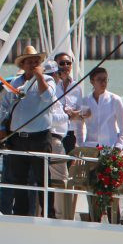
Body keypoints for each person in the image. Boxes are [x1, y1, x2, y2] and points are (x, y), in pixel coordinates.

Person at [0, 45, 56, 216]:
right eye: (30, 62)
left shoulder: (48, 81)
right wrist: (2, 128)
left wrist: (39, 76)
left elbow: (48, 98)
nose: (33, 64)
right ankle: (20, 213)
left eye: (36, 62)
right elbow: (5, 106)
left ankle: (48, 213)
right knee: (19, 179)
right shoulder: (15, 83)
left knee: (43, 178)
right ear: (23, 65)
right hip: (18, 139)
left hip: (39, 137)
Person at [75, 67, 123, 149]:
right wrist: (81, 145)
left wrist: (118, 146)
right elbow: (79, 127)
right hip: (90, 148)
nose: (103, 83)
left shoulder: (115, 100)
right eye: (99, 79)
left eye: (105, 79)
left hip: (110, 147)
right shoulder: (85, 102)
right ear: (92, 81)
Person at [44, 60, 71, 219]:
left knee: (47, 180)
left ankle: (49, 212)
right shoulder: (49, 93)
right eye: (58, 73)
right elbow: (48, 118)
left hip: (49, 139)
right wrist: (68, 115)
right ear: (54, 75)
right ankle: (62, 216)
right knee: (61, 180)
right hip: (53, 140)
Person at [53, 52, 81, 152]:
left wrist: (76, 114)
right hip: (54, 133)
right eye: (62, 63)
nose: (66, 66)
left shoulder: (76, 87)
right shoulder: (51, 85)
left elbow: (79, 111)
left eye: (68, 63)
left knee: (68, 165)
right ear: (55, 65)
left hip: (71, 133)